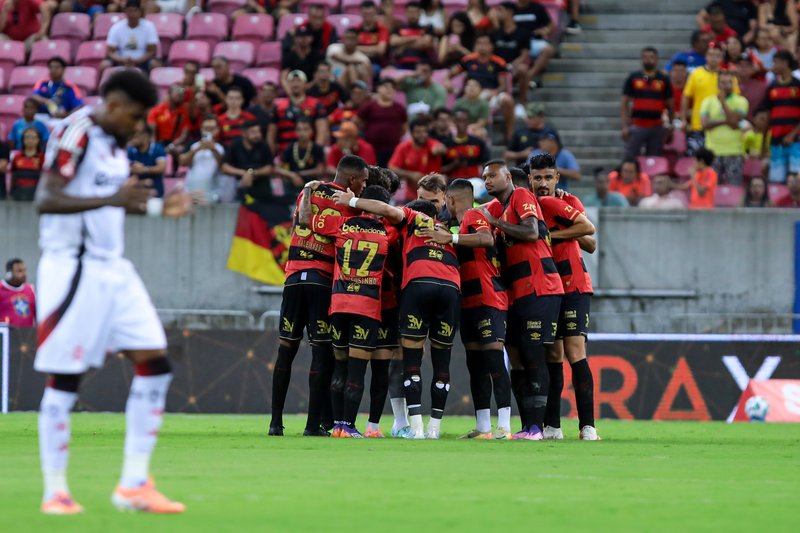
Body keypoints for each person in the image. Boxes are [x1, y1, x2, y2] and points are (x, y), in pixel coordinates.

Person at [34, 69, 192, 515]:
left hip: (113, 267)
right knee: (66, 378)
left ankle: (134, 485)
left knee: (155, 362)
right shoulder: (75, 132)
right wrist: (113, 200)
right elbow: (45, 198)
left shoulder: (115, 143)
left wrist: (160, 207)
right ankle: (55, 492)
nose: (139, 127)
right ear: (115, 105)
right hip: (74, 268)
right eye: (136, 117)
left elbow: (113, 203)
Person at [332, 192, 461, 440]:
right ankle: (417, 428)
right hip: (436, 293)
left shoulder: (403, 223)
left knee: (373, 365)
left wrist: (351, 201)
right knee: (429, 364)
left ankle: (406, 427)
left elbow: (387, 216)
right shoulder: (450, 232)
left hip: (373, 296)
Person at [269, 155, 367, 437]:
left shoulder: (308, 190)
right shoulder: (349, 205)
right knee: (321, 353)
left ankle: (275, 423)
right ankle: (313, 426)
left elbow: (299, 220)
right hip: (321, 281)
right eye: (362, 180)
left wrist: (310, 192)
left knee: (285, 350)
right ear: (351, 179)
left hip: (293, 278)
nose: (363, 185)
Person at [297, 182, 399, 438]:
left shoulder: (341, 224)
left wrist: (308, 191)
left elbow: (306, 219)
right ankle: (348, 425)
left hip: (339, 304)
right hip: (367, 306)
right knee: (357, 371)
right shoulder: (388, 232)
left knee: (340, 368)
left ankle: (337, 428)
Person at [422, 178, 512, 439]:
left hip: (488, 298)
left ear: (449, 199)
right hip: (468, 300)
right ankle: (483, 426)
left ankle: (504, 426)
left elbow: (485, 239)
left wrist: (450, 237)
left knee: (494, 359)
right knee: (476, 365)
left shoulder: (474, 214)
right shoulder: (456, 224)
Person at [480, 159, 563, 439]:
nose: (487, 180)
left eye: (492, 175)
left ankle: (538, 427)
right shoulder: (499, 208)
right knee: (516, 359)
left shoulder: (521, 195)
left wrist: (496, 223)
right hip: (515, 293)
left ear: (509, 177)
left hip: (539, 286)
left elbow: (532, 231)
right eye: (484, 177)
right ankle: (527, 426)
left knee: (533, 355)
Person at [528, 152, 600, 441]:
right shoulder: (526, 206)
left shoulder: (568, 202)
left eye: (548, 177)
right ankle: (553, 426)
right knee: (553, 355)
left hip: (573, 284)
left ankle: (588, 426)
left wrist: (550, 234)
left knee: (575, 352)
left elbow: (590, 242)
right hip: (545, 288)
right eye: (537, 178)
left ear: (557, 177)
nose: (543, 183)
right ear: (529, 179)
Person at [448, 34, 516, 142]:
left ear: (491, 46)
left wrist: (494, 92)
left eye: (485, 43)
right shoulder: (468, 60)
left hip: (490, 94)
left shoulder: (499, 62)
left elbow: (503, 85)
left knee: (507, 100)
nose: (482, 46)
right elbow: (450, 74)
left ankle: (509, 136)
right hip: (471, 94)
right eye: (479, 43)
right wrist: (447, 82)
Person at [681, 43, 739, 155]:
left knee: (717, 161)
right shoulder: (696, 74)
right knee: (697, 161)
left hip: (721, 125)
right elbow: (686, 97)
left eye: (717, 55)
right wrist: (684, 119)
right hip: (698, 125)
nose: (713, 58)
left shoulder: (728, 77)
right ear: (706, 56)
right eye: (711, 55)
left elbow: (735, 99)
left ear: (722, 58)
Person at [621, 47, 674, 158]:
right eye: (645, 57)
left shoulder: (663, 79)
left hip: (657, 127)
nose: (648, 60)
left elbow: (670, 104)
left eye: (651, 57)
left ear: (656, 59)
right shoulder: (633, 77)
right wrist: (624, 126)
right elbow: (624, 102)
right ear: (641, 59)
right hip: (637, 126)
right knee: (630, 158)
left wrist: (670, 125)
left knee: (654, 160)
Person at [700, 71, 748, 184]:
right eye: (723, 83)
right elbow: (705, 125)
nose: (727, 86)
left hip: (734, 152)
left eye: (730, 83)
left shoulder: (741, 101)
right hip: (712, 152)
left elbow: (733, 122)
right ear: (717, 85)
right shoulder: (708, 101)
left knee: (733, 188)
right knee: (711, 187)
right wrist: (726, 121)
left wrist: (723, 103)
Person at [269, 70, 328, 154]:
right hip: (284, 152)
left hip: (308, 152)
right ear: (288, 85)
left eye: (299, 80)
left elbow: (321, 132)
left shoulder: (315, 104)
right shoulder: (278, 106)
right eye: (292, 81)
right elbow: (271, 135)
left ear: (305, 84)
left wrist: (315, 152)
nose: (295, 84)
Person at [388, 117, 446, 202]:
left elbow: (440, 148)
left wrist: (438, 150)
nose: (422, 134)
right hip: (412, 196)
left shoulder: (431, 143)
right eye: (418, 132)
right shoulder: (404, 147)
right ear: (411, 133)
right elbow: (392, 167)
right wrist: (411, 175)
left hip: (434, 196)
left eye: (425, 132)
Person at [763, 50, 800, 183]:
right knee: (776, 181)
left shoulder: (798, 86)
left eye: (775, 62)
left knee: (796, 180)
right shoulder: (772, 87)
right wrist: (763, 143)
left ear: (785, 63)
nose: (773, 65)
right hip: (776, 141)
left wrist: (792, 134)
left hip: (796, 142)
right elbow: (767, 114)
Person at [357, 78, 408, 167]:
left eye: (392, 87)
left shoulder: (399, 108)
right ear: (378, 88)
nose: (389, 89)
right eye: (386, 87)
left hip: (393, 148)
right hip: (372, 148)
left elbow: (404, 128)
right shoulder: (369, 106)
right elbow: (357, 122)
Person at [221, 120, 274, 203]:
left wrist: (251, 173)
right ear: (244, 134)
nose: (258, 135)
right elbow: (225, 167)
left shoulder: (263, 145)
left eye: (259, 131)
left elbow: (269, 168)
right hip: (240, 187)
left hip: (262, 190)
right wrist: (243, 173)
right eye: (253, 132)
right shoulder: (235, 145)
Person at [102, 0, 160, 73]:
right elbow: (110, 51)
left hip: (143, 61)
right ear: (125, 11)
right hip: (121, 61)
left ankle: (150, 84)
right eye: (129, 11)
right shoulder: (116, 27)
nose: (132, 14)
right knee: (104, 65)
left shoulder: (149, 26)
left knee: (155, 65)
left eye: (135, 11)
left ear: (140, 12)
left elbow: (152, 51)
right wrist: (122, 60)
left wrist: (137, 61)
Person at [276, 119, 326, 202]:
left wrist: (299, 174)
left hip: (312, 187)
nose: (302, 133)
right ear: (295, 131)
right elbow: (277, 168)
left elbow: (320, 170)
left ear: (311, 131)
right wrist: (292, 175)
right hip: (292, 186)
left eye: (305, 129)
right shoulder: (290, 147)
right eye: (299, 129)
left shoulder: (317, 148)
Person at [492, 2, 533, 103]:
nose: (497, 13)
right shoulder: (495, 33)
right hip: (495, 67)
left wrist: (510, 65)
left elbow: (524, 55)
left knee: (523, 69)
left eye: (500, 10)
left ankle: (521, 103)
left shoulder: (523, 33)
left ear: (510, 12)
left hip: (512, 67)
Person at [179, 115, 225, 202]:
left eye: (211, 128)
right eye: (206, 128)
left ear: (217, 130)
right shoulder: (192, 144)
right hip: (191, 191)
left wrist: (213, 149)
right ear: (201, 129)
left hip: (212, 192)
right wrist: (198, 148)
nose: (208, 131)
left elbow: (223, 167)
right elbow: (182, 162)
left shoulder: (221, 147)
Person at [514, 0, 555, 89]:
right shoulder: (511, 8)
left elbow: (551, 25)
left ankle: (529, 76)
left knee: (548, 49)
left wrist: (546, 30)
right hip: (516, 42)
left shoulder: (537, 7)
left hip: (534, 40)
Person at [442, 109, 490, 180]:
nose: (462, 123)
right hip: (452, 182)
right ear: (454, 122)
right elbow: (440, 169)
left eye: (464, 120)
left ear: (468, 122)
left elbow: (486, 165)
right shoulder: (446, 144)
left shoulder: (478, 143)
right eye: (459, 120)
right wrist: (454, 164)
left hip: (475, 181)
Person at [390, 2, 435, 70]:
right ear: (405, 13)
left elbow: (426, 43)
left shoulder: (427, 28)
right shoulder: (398, 28)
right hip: (400, 65)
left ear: (420, 14)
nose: (412, 15)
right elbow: (393, 42)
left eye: (415, 12)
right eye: (410, 12)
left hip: (421, 65)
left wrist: (402, 45)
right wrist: (416, 38)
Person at [127, 123, 167, 198]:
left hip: (156, 194)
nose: (133, 138)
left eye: (136, 135)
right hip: (136, 195)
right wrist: (133, 169)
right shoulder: (131, 150)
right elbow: (125, 168)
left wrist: (144, 169)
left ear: (146, 136)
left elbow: (162, 167)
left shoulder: (158, 149)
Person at [146, 84, 190, 150]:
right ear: (169, 93)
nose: (180, 93)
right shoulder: (157, 110)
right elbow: (152, 134)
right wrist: (155, 148)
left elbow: (183, 135)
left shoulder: (184, 112)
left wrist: (171, 146)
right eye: (177, 91)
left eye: (182, 92)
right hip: (158, 144)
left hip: (175, 145)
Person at [281, 25, 323, 92]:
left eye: (307, 36)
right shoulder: (289, 56)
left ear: (311, 38)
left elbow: (319, 75)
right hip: (293, 89)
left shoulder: (317, 55)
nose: (304, 39)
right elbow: (283, 78)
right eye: (300, 36)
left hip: (313, 90)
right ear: (295, 39)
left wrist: (305, 88)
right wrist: (290, 92)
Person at [355, 0, 390, 76]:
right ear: (361, 13)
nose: (368, 16)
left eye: (370, 13)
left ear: (375, 12)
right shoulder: (355, 29)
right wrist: (374, 49)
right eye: (365, 13)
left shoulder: (382, 29)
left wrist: (359, 49)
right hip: (357, 62)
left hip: (376, 64)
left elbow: (380, 50)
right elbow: (351, 49)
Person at [0, 258, 36, 326]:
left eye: (24, 270)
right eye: (19, 271)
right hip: (7, 335)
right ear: (9, 274)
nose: (24, 274)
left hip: (28, 334)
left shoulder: (30, 289)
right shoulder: (1, 288)